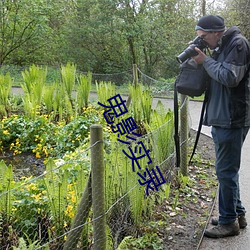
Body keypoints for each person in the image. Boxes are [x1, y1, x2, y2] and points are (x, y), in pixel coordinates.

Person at [192, 15, 250, 238]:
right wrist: (202, 60)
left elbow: (229, 77)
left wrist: (205, 61)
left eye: (204, 37)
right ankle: (237, 214)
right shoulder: (221, 46)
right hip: (222, 117)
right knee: (227, 171)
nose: (203, 41)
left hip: (232, 118)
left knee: (225, 171)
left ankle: (228, 223)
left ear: (216, 32)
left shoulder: (238, 44)